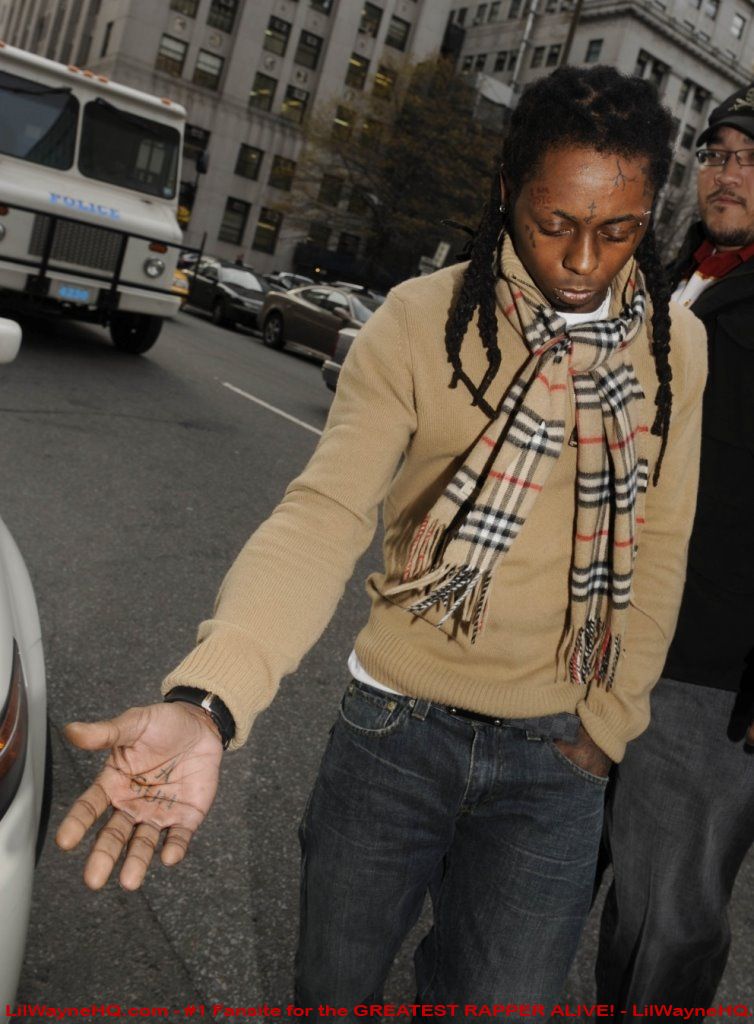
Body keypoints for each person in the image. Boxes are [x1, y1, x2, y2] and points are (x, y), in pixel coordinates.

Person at [56, 66, 707, 1007]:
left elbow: (663, 539)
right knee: (333, 991)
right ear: (507, 194)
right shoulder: (419, 321)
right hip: (394, 732)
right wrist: (210, 700)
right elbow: (323, 515)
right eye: (553, 223)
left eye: (618, 232)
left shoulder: (673, 350)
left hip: (558, 755)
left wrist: (608, 730)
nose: (580, 261)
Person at [596, 83, 754, 1008]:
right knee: (539, 867)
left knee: (667, 919)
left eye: (750, 157)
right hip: (601, 637)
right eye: (717, 152)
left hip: (709, 681)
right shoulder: (670, 283)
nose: (727, 171)